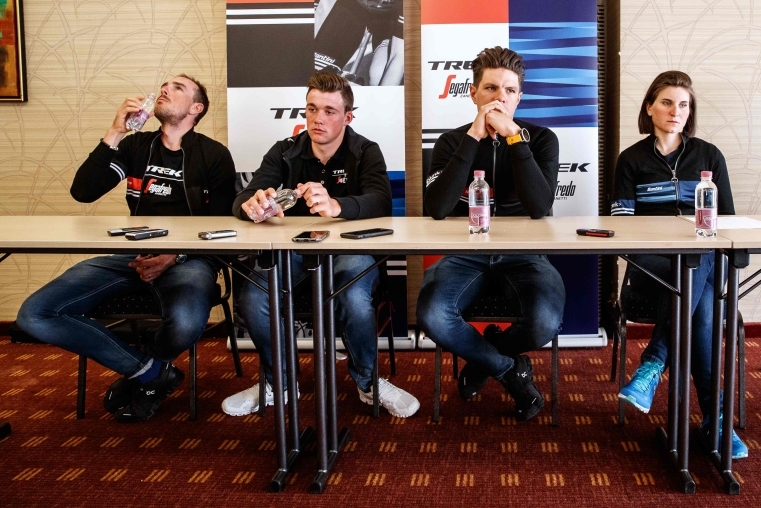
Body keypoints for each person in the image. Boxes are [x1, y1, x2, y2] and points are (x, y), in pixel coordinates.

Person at [17, 75, 236, 422]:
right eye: (164, 84)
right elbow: (83, 192)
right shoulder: (136, 147)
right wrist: (115, 131)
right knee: (34, 314)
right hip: (130, 255)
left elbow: (225, 228)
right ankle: (149, 373)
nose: (165, 89)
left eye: (178, 87)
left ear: (196, 109)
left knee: (186, 321)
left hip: (188, 260)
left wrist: (174, 256)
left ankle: (145, 374)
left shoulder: (213, 155)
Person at [222, 72, 419, 418]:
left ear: (348, 117)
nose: (318, 118)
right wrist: (251, 205)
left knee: (355, 297)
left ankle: (367, 380)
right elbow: (243, 197)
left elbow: (382, 202)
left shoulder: (365, 151)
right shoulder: (284, 152)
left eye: (329, 111)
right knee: (253, 295)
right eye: (312, 109)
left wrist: (338, 207)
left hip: (350, 253)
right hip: (295, 254)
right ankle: (279, 381)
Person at [417, 46, 565, 422]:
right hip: (465, 255)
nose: (500, 98)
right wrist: (473, 139)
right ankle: (508, 371)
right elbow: (436, 207)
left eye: (509, 90)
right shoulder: (451, 141)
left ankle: (482, 360)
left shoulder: (542, 139)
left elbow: (538, 206)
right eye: (491, 89)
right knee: (433, 314)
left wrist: (515, 139)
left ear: (520, 96)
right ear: (473, 93)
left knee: (545, 321)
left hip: (525, 254)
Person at [612, 71, 748, 459]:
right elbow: (621, 226)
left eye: (684, 104)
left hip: (702, 264)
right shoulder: (631, 159)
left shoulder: (708, 155)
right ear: (650, 107)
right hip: (653, 268)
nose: (676, 111)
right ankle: (716, 420)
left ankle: (654, 364)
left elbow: (728, 222)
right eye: (667, 102)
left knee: (701, 254)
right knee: (702, 310)